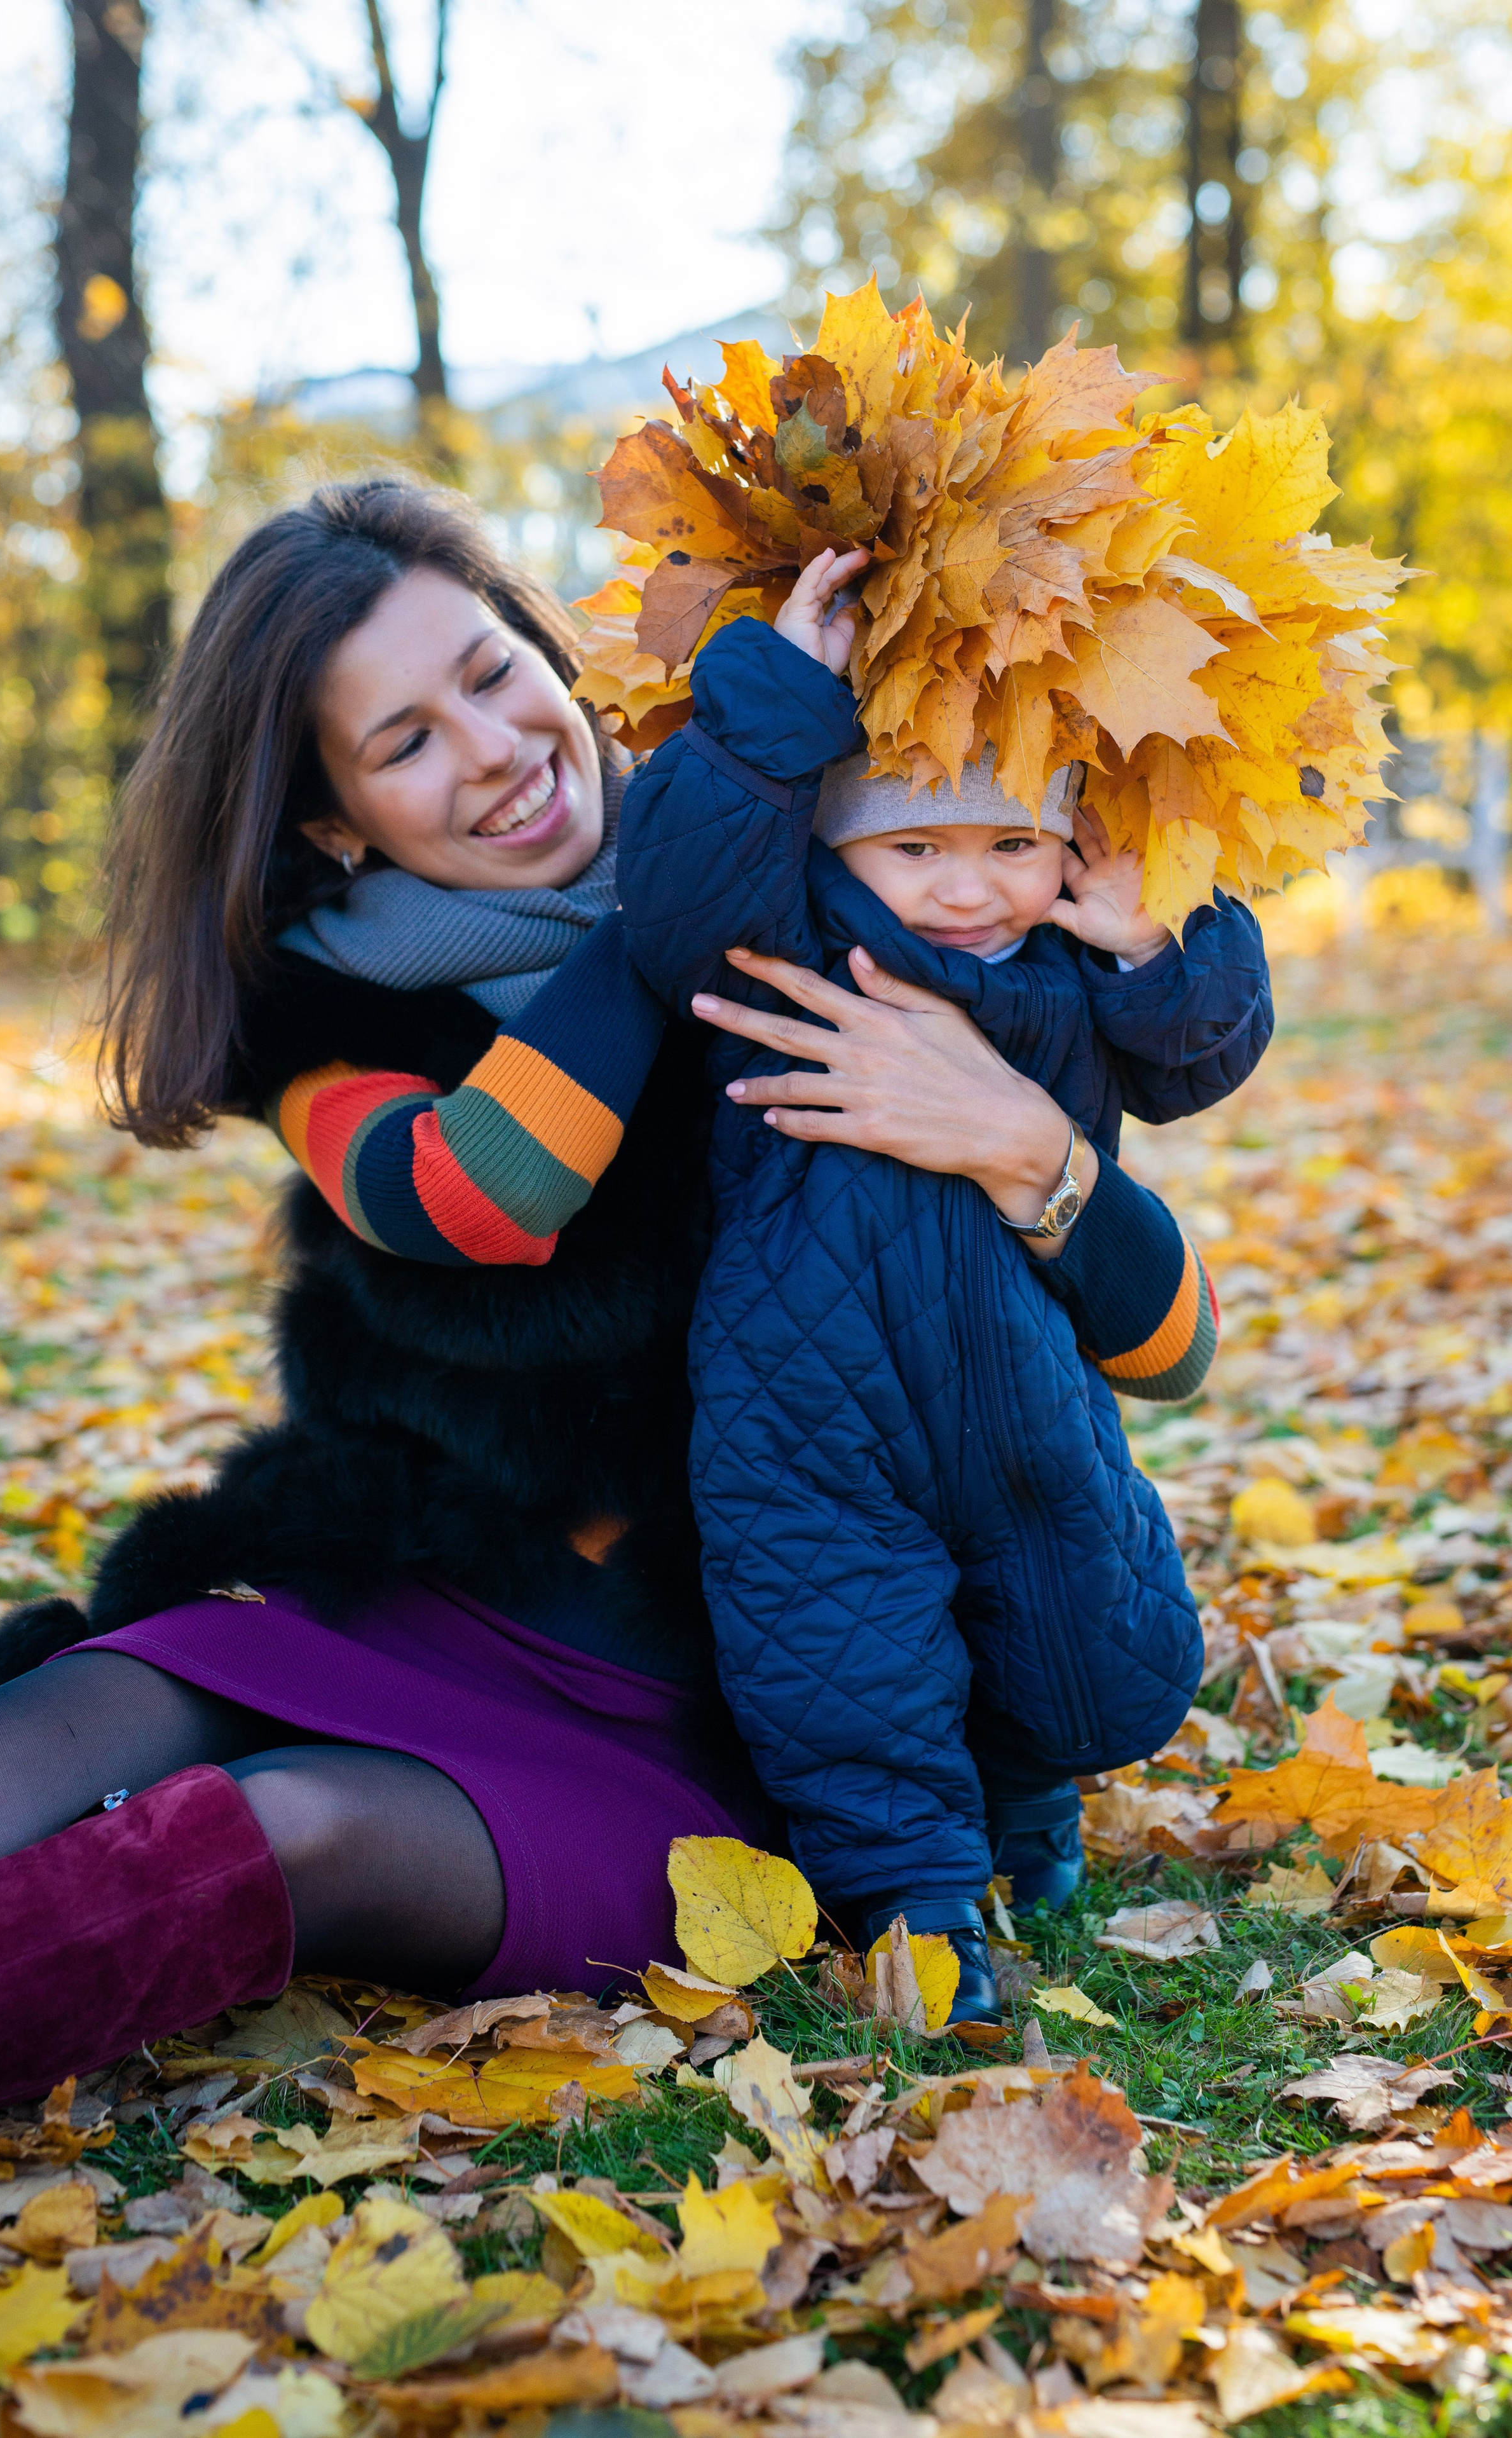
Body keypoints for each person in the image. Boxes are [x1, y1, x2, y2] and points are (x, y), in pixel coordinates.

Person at [0, 482, 1220, 2132]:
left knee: (292, 1825)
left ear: (550, 653)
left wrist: (1024, 1147)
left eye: (493, 672)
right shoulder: (331, 1017)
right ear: (337, 821)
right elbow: (489, 1194)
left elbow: (1174, 1350)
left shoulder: (859, 883)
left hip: (760, 1704)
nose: (497, 746)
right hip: (416, 1600)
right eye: (407, 740)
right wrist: (696, 876)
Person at [613, 544, 1274, 2019]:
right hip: (803, 1402)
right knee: (842, 1661)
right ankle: (919, 1911)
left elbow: (1203, 1055)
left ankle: (1030, 1803)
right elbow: (670, 901)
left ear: (1068, 846)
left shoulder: (1077, 972)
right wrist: (780, 704)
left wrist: (1162, 931)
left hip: (1021, 1376)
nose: (964, 889)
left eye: (1006, 846)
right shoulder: (792, 944)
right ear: (841, 855)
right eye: (911, 850)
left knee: (1080, 1623)